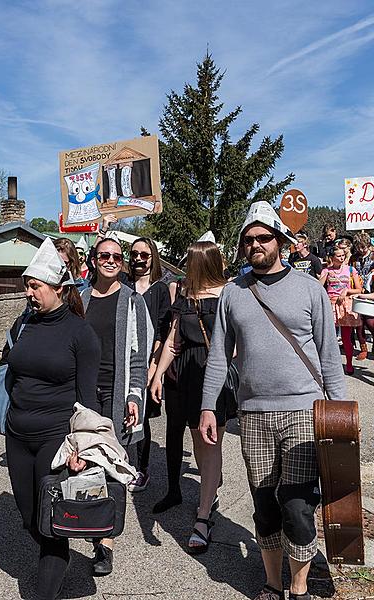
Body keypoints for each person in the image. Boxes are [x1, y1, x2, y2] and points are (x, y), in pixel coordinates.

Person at [200, 201, 346, 600]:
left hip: (303, 410)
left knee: (297, 505)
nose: (255, 245)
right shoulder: (232, 293)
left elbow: (329, 357)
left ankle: (298, 586)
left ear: (279, 240)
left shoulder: (309, 288)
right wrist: (208, 407)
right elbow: (218, 356)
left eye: (263, 237)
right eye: (248, 239)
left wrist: (341, 413)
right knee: (265, 505)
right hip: (253, 415)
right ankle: (271, 581)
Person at [0, 238, 101, 600]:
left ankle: (51, 573)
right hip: (17, 435)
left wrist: (83, 448)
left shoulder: (81, 334)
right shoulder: (22, 325)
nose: (29, 292)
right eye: (27, 285)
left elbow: (88, 400)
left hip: (55, 438)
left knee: (50, 522)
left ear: (58, 288)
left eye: (35, 286)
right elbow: (3, 373)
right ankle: (58, 555)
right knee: (29, 516)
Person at [151, 241, 231, 553]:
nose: (186, 265)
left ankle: (203, 515)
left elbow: (239, 336)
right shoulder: (184, 294)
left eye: (191, 261)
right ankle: (211, 488)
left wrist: (230, 359)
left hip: (214, 374)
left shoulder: (228, 293)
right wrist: (158, 375)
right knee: (199, 442)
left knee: (210, 443)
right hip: (186, 375)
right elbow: (173, 340)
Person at [80, 235, 150, 575]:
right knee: (88, 461)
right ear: (94, 259)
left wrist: (134, 396)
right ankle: (88, 525)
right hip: (83, 392)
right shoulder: (78, 299)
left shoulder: (131, 300)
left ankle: (106, 542)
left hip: (117, 392)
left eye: (117, 256)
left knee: (115, 463)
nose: (111, 260)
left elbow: (138, 357)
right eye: (104, 255)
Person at [125, 237, 171, 492]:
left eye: (144, 254)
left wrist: (154, 369)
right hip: (122, 360)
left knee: (141, 418)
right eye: (135, 254)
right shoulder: (123, 284)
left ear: (152, 257)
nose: (139, 259)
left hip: (147, 362)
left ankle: (141, 468)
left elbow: (163, 333)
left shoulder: (160, 290)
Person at [320, 246, 362, 375]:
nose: (342, 258)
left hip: (345, 305)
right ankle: (331, 365)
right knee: (329, 337)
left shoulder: (350, 270)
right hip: (331, 304)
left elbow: (359, 290)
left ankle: (349, 363)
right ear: (332, 257)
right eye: (338, 256)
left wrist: (347, 290)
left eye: (343, 255)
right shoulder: (326, 270)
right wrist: (324, 275)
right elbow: (319, 287)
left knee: (346, 338)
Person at [351, 232, 374, 359]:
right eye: (358, 247)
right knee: (358, 323)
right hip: (358, 291)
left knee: (371, 322)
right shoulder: (354, 258)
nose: (361, 250)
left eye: (363, 247)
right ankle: (363, 348)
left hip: (371, 291)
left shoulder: (373, 256)